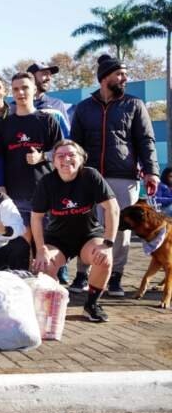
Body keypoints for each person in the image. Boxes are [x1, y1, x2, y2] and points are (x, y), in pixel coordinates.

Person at [69, 54, 160, 296]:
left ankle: (116, 277)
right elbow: (75, 144)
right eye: (119, 74)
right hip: (89, 176)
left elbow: (146, 141)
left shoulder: (134, 104)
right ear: (104, 77)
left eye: (125, 73)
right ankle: (82, 273)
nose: (124, 78)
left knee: (121, 230)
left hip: (124, 176)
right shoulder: (83, 108)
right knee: (88, 226)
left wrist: (151, 171)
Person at [32, 140, 119, 322]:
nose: (66, 159)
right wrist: (41, 249)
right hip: (58, 238)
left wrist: (107, 244)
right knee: (43, 266)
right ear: (53, 162)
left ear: (81, 159)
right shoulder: (46, 182)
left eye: (72, 154)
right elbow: (36, 218)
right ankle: (52, 302)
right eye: (60, 155)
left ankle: (92, 305)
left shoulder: (91, 176)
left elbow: (112, 208)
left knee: (104, 259)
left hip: (89, 236)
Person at [0, 72, 62, 239]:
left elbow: (62, 154)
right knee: (22, 248)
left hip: (46, 193)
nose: (20, 92)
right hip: (15, 196)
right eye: (16, 89)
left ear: (34, 89)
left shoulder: (48, 120)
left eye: (25, 88)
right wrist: (1, 185)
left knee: (49, 245)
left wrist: (42, 157)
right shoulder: (5, 124)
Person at [27, 62, 70, 136]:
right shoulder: (15, 106)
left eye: (50, 75)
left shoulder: (57, 104)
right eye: (44, 74)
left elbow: (67, 137)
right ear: (32, 77)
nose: (49, 78)